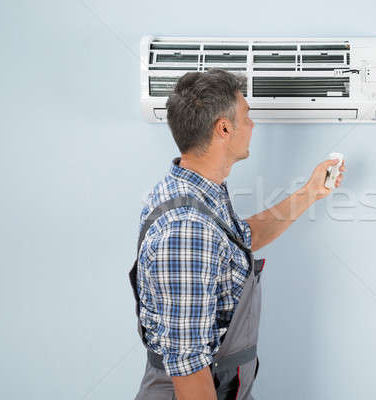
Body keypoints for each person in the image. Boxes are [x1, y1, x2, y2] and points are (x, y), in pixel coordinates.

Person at [129, 68, 345, 400]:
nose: (253, 125)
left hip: (225, 386)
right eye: (247, 116)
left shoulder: (199, 191)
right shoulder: (186, 231)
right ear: (224, 129)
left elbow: (240, 238)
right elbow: (189, 371)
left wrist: (310, 192)